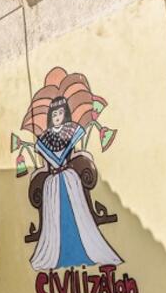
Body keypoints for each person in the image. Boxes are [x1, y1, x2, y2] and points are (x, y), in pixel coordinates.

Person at [28, 96, 123, 270]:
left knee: (76, 214)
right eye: (54, 113)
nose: (57, 116)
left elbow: (70, 154)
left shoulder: (71, 130)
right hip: (53, 183)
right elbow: (48, 162)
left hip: (69, 179)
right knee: (55, 220)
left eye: (60, 112)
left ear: (66, 113)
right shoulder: (45, 139)